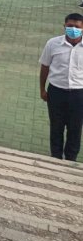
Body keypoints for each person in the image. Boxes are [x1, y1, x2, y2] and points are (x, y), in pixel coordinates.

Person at [39, 13, 83, 161]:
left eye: (77, 26)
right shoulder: (53, 43)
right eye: (70, 26)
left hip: (79, 94)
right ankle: (55, 157)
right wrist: (42, 89)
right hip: (56, 91)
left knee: (75, 128)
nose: (73, 29)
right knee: (56, 126)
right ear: (64, 26)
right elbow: (45, 66)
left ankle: (71, 159)